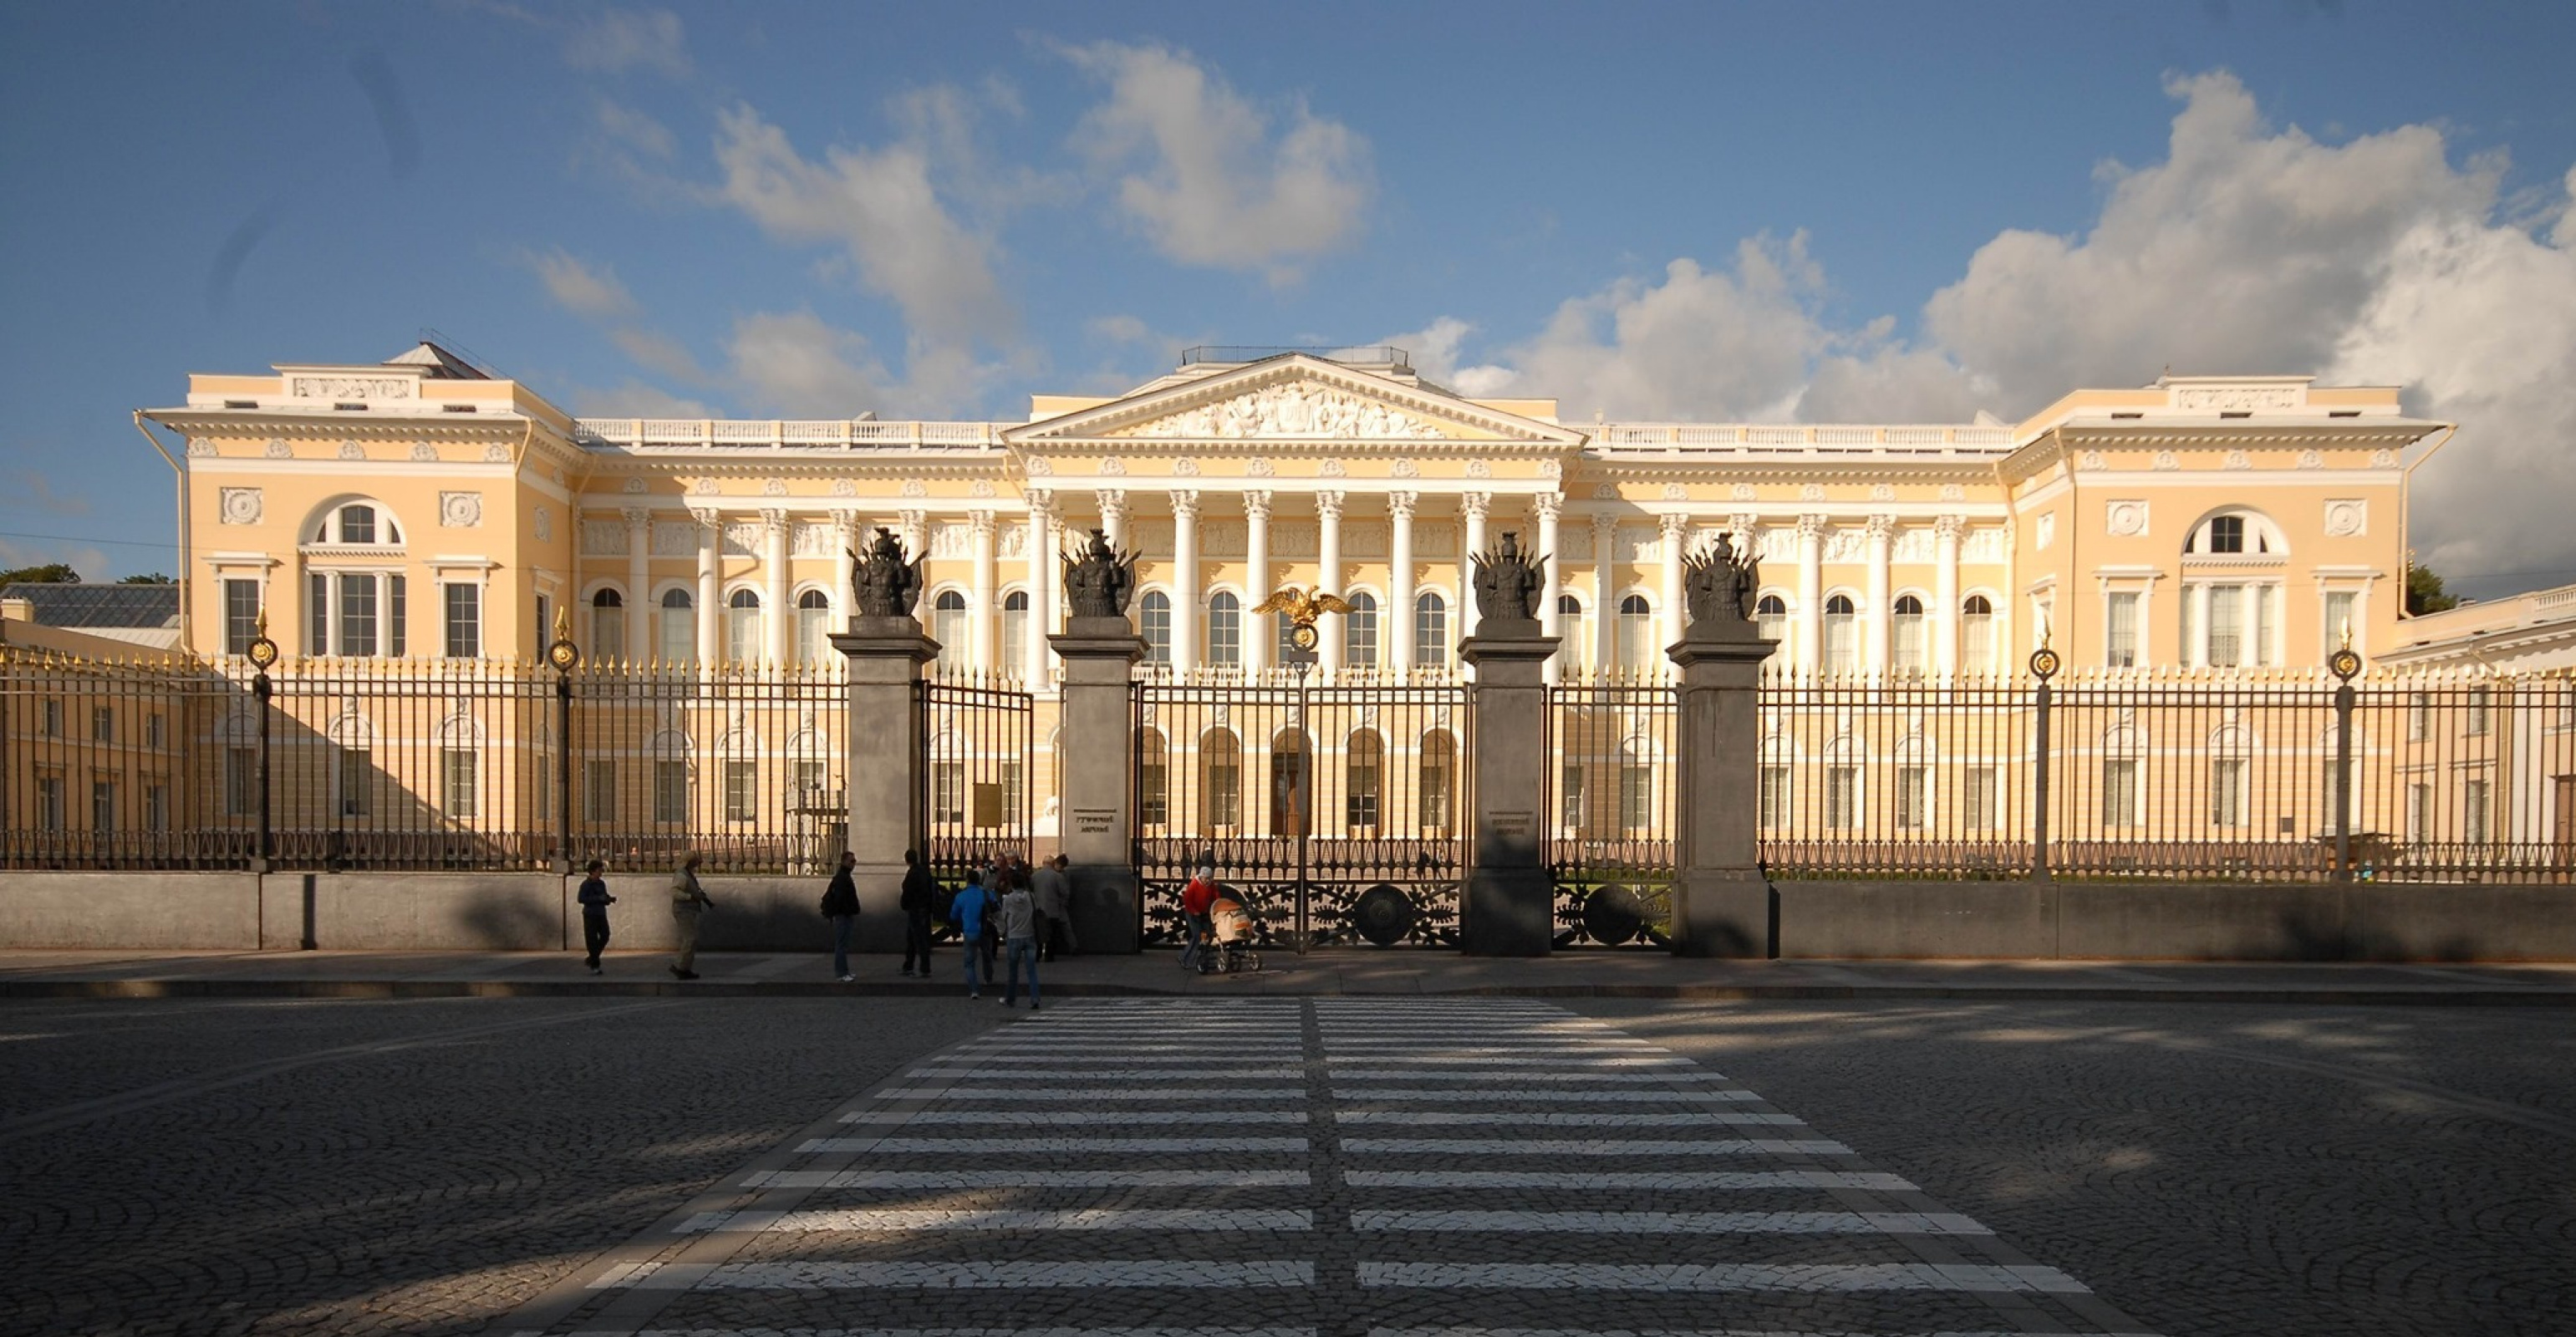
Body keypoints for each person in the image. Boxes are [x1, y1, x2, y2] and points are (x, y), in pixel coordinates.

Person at [997, 873, 1041, 1010]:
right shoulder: (1031, 897)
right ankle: (1034, 998)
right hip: (1029, 934)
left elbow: (1003, 917)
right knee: (1031, 970)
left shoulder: (1008, 899)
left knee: (1013, 971)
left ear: (1011, 884)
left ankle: (1011, 999)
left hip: (1014, 936)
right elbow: (1036, 911)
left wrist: (1002, 932)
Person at [949, 870, 993, 999]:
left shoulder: (961, 896)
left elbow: (953, 915)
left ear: (967, 880)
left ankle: (974, 990)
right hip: (984, 930)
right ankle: (988, 978)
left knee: (969, 962)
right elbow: (996, 907)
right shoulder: (986, 894)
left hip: (969, 931)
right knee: (987, 955)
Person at [669, 851, 713, 980]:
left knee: (691, 939)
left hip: (689, 909)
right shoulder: (682, 875)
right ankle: (680, 966)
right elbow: (675, 891)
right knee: (690, 939)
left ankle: (685, 967)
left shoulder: (688, 874)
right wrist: (690, 897)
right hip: (683, 910)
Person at [820, 850, 859, 982]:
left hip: (844, 914)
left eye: (854, 861)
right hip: (843, 915)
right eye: (851, 861)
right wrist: (848, 909)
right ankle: (841, 973)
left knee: (843, 944)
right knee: (841, 944)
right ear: (844, 862)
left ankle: (844, 971)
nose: (854, 864)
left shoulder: (843, 876)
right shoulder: (842, 878)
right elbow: (841, 898)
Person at [899, 847, 937, 977]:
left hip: (915, 909)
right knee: (915, 938)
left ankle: (922, 967)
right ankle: (909, 965)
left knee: (917, 939)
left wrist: (904, 905)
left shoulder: (912, 873)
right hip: (924, 908)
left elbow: (907, 891)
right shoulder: (924, 871)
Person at [1033, 853, 1077, 962]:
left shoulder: (1034, 876)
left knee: (1039, 933)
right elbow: (1065, 892)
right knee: (1051, 935)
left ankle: (1037, 955)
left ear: (1043, 864)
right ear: (1052, 864)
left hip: (1038, 910)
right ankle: (1049, 956)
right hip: (1053, 910)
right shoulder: (1058, 876)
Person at [576, 859, 616, 974]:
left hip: (600, 913)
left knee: (605, 935)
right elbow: (581, 899)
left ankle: (592, 958)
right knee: (592, 940)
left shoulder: (601, 883)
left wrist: (608, 899)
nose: (601, 873)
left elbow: (604, 896)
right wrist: (598, 899)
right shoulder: (586, 884)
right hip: (590, 914)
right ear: (592, 872)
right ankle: (595, 965)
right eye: (599, 870)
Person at [1179, 861, 1219, 971]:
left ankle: (1204, 958)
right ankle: (1185, 958)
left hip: (1205, 913)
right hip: (1193, 914)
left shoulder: (1211, 885)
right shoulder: (1194, 884)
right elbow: (1187, 899)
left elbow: (1216, 896)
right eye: (1206, 878)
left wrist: (1217, 906)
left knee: (1208, 935)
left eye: (1209, 878)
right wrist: (1194, 911)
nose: (1208, 881)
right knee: (1197, 936)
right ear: (1201, 877)